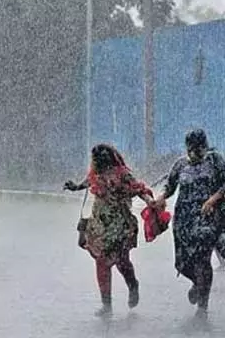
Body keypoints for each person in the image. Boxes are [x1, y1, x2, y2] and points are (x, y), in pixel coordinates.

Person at [64, 143, 153, 317]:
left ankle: (132, 284)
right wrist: (75, 187)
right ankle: (107, 304)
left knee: (121, 261)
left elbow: (139, 189)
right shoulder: (95, 174)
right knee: (102, 263)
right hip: (100, 225)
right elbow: (87, 182)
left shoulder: (123, 174)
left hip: (120, 225)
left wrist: (150, 201)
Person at [152, 129, 225, 319]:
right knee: (182, 263)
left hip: (208, 218)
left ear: (205, 147)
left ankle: (203, 306)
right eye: (191, 149)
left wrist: (213, 200)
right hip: (183, 220)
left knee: (203, 259)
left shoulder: (215, 161)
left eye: (199, 149)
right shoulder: (180, 164)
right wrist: (161, 198)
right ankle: (197, 283)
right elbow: (170, 185)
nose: (194, 154)